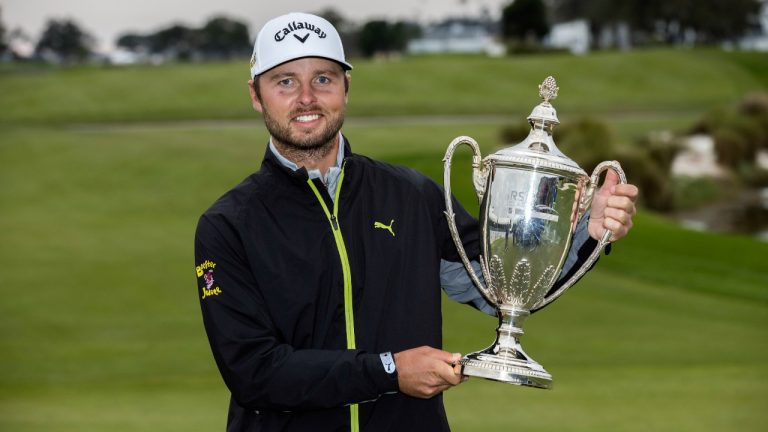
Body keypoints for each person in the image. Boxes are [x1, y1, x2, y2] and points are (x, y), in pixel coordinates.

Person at [194, 12, 638, 432]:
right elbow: (254, 372)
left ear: (346, 87)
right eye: (285, 81)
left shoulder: (412, 195)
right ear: (256, 95)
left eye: (323, 79)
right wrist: (390, 371)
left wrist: (587, 234)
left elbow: (498, 289)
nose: (306, 98)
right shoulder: (228, 225)